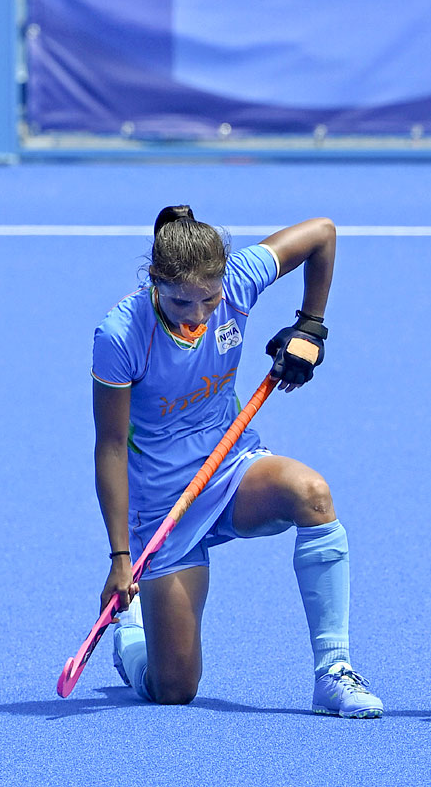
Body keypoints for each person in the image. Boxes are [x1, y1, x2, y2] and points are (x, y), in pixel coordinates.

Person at [92, 205, 381, 718]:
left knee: (311, 494)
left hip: (230, 467)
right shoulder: (120, 335)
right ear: (155, 280)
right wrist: (120, 558)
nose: (198, 315)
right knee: (174, 688)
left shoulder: (240, 280)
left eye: (210, 298)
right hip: (163, 507)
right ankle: (132, 635)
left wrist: (311, 325)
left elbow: (322, 234)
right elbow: (111, 446)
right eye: (182, 301)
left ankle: (334, 674)